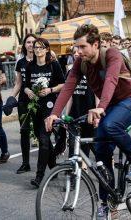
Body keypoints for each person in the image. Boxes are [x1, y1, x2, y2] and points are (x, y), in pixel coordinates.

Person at [45, 24, 131, 220]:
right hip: (110, 106)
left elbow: (111, 81)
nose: (78, 51)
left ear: (96, 44)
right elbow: (68, 87)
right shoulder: (80, 62)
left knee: (110, 126)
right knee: (101, 156)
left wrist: (101, 107)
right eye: (76, 47)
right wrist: (54, 113)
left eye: (82, 47)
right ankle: (106, 203)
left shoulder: (112, 55)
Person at [24, 37, 64, 188]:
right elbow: (26, 85)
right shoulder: (30, 66)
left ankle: (39, 176)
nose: (38, 50)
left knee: (43, 138)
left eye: (41, 47)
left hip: (50, 106)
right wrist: (29, 92)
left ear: (47, 49)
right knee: (42, 139)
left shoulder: (53, 65)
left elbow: (63, 84)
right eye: (36, 47)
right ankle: (53, 168)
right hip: (35, 107)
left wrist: (50, 90)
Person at [7, 33, 37, 174]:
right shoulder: (21, 62)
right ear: (24, 45)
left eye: (33, 42)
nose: (31, 45)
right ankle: (25, 163)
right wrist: (11, 98)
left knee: (40, 132)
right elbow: (19, 83)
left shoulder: (41, 60)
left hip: (39, 101)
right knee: (24, 131)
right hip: (24, 101)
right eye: (28, 42)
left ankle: (50, 162)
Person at [65, 45, 96, 169]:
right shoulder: (70, 72)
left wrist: (98, 113)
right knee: (74, 147)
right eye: (74, 52)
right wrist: (66, 115)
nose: (77, 54)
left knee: (95, 147)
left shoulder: (92, 70)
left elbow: (98, 95)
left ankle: (106, 171)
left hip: (90, 114)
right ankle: (75, 175)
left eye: (79, 51)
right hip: (75, 115)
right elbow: (69, 96)